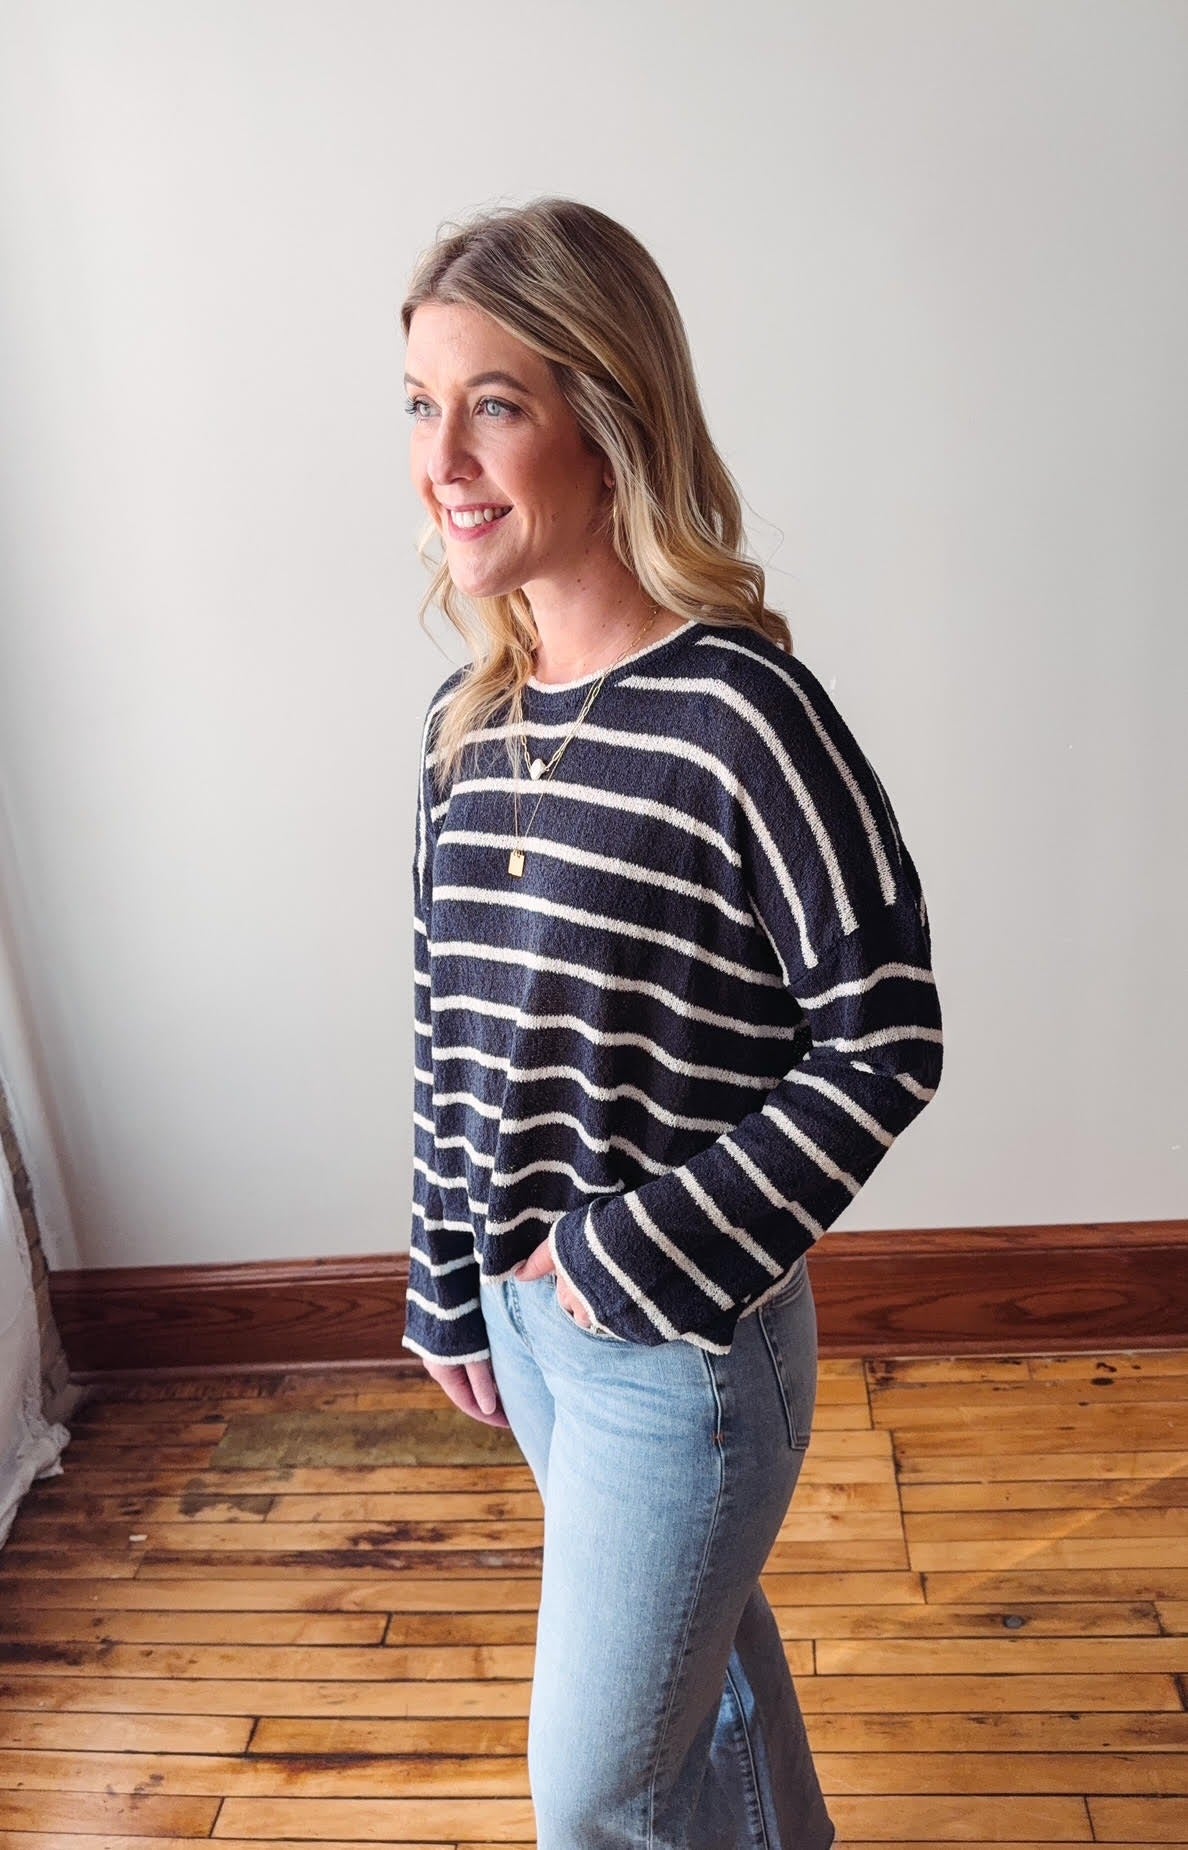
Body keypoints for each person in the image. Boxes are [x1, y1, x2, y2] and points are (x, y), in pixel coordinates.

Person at [399, 196, 943, 1850]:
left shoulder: (739, 714)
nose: (445, 456)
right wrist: (449, 1278)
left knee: (599, 1790)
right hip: (533, 1321)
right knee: (694, 1678)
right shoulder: (466, 722)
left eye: (495, 402)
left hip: (682, 1352)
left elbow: (889, 1036)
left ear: (608, 415)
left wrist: (637, 1254)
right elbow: (448, 1023)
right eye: (421, 404)